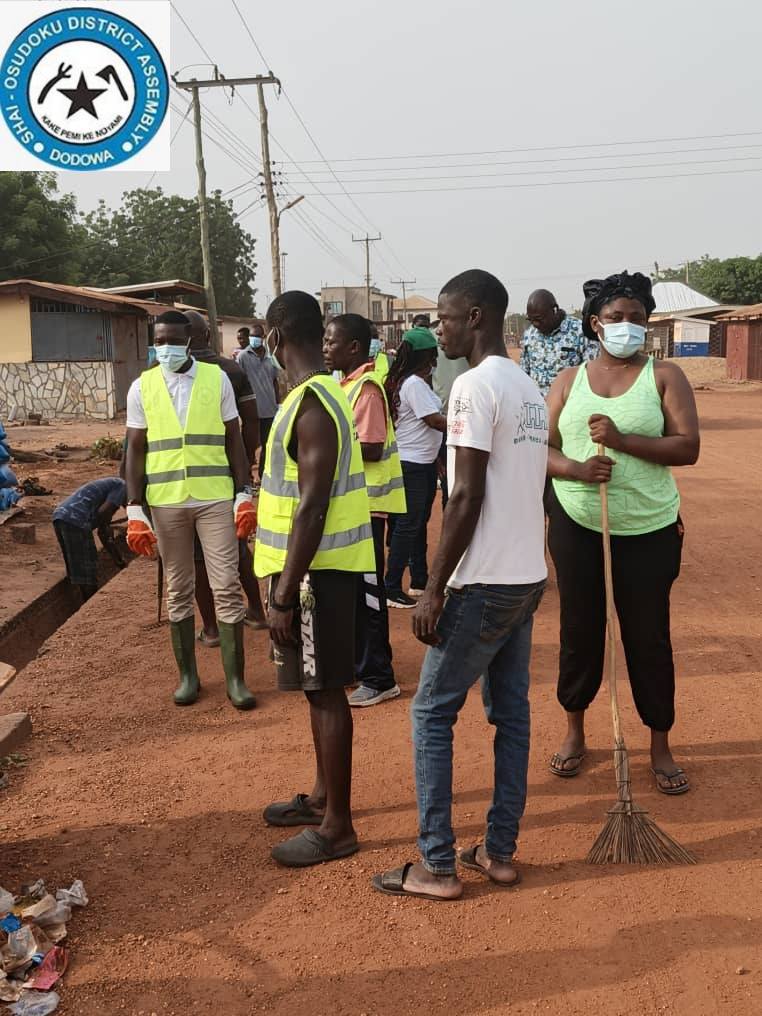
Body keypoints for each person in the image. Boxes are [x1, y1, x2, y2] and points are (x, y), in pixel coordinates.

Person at [372, 269, 548, 901]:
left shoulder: (473, 387)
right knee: (511, 718)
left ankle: (438, 865)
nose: (436, 328)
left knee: (431, 714)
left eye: (444, 317)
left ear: (474, 316)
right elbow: (533, 487)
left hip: (482, 583)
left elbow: (467, 493)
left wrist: (432, 587)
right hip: (526, 576)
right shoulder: (527, 387)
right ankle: (498, 853)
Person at [545, 271, 700, 794]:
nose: (627, 327)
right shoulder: (568, 380)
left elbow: (687, 447)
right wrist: (575, 470)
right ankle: (574, 732)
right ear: (595, 324)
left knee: (648, 636)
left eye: (637, 318)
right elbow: (541, 450)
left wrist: (622, 439)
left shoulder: (666, 376)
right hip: (578, 523)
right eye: (616, 319)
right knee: (579, 630)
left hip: (649, 528)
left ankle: (659, 743)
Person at [255, 291, 375, 868]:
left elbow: (311, 507)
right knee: (313, 686)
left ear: (276, 336)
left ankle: (338, 827)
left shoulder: (313, 405)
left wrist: (282, 595)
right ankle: (324, 796)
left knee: (326, 691)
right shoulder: (312, 396)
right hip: (309, 571)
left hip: (315, 576)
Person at [124, 310, 258, 710]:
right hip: (166, 504)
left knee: (227, 587)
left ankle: (236, 680)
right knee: (179, 589)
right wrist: (134, 507)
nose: (165, 347)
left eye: (172, 340)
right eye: (159, 341)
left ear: (190, 341)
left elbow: (234, 438)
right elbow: (135, 448)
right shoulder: (141, 387)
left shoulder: (216, 379)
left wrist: (243, 491)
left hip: (214, 499)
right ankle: (189, 678)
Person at [323, 313, 406, 707]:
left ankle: (379, 676)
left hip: (369, 507)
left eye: (331, 341)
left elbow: (371, 448)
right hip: (354, 507)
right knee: (357, 595)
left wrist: (324, 451)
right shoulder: (347, 386)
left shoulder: (367, 390)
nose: (326, 347)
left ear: (353, 347)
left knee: (370, 598)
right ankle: (363, 667)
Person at [183, 309, 267, 644]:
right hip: (231, 472)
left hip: (187, 479)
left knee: (198, 555)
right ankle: (257, 612)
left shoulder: (165, 374)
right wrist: (245, 464)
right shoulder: (230, 369)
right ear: (207, 334)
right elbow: (251, 424)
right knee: (238, 544)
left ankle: (212, 627)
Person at [383, 328, 446, 607]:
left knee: (416, 525)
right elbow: (433, 420)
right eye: (434, 354)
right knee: (408, 527)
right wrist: (466, 423)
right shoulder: (414, 385)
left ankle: (419, 580)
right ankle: (392, 586)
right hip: (414, 465)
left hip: (421, 462)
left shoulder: (412, 382)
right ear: (426, 356)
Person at [52, 477, 127, 600]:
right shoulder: (122, 487)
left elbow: (103, 531)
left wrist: (118, 561)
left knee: (77, 565)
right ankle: (90, 603)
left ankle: (85, 602)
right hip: (76, 518)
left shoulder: (112, 483)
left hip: (60, 515)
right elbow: (104, 514)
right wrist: (119, 562)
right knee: (88, 565)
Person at [520, 289, 598, 398]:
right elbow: (524, 375)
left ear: (554, 309)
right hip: (538, 408)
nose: (535, 324)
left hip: (570, 407)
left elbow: (593, 374)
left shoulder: (581, 331)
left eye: (539, 319)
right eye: (531, 320)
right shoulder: (529, 335)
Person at [431, 317, 470, 507]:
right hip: (452, 419)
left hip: (447, 416)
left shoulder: (433, 341)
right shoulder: (468, 338)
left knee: (451, 474)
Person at [238, 322, 281, 487]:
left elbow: (275, 381)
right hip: (251, 412)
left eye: (257, 336)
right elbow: (240, 382)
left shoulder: (271, 358)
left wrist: (277, 403)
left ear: (263, 338)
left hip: (269, 410)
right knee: (249, 447)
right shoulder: (243, 356)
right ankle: (248, 477)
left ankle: (264, 477)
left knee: (267, 446)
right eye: (252, 337)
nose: (254, 339)